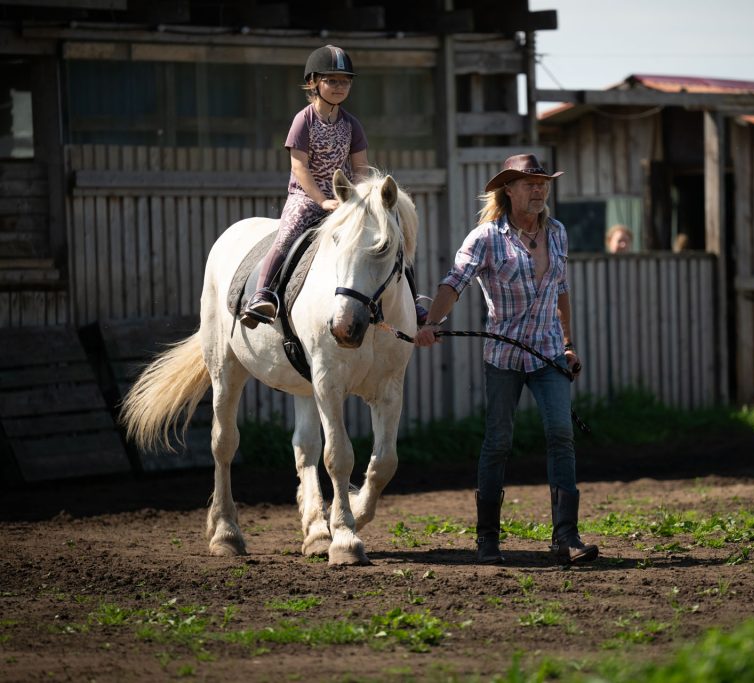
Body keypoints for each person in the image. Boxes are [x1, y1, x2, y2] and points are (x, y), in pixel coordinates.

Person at [414, 154, 599, 566]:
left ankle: (566, 537)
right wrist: (431, 322)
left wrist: (568, 344)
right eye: (529, 183)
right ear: (508, 190)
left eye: (542, 182)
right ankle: (487, 541)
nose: (538, 190)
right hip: (504, 356)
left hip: (549, 353)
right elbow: (454, 282)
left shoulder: (557, 234)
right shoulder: (485, 238)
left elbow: (562, 290)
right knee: (498, 442)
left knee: (560, 435)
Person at [240, 45, 369, 328]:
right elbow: (298, 168)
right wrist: (322, 201)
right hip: (306, 196)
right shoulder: (304, 120)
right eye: (332, 80)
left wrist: (360, 200)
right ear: (313, 82)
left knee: (378, 234)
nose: (339, 87)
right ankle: (262, 294)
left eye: (345, 81)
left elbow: (360, 169)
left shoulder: (352, 125)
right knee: (287, 236)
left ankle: (407, 300)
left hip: (342, 199)